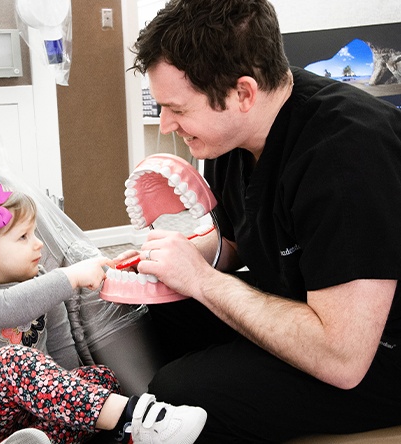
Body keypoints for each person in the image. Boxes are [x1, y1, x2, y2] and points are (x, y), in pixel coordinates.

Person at [123, 0, 401, 442]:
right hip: (314, 306)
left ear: (243, 93)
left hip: (376, 347)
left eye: (177, 108)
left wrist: (204, 281)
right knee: (153, 310)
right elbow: (238, 242)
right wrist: (170, 261)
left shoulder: (347, 156)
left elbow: (343, 358)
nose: (166, 125)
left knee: (182, 396)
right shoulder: (229, 139)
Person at [0, 183, 207, 444]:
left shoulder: (42, 285)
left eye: (34, 233)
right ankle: (137, 418)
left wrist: (102, 272)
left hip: (19, 424)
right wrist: (69, 277)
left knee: (97, 379)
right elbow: (7, 306)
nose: (38, 244)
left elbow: (62, 361)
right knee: (13, 363)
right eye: (23, 237)